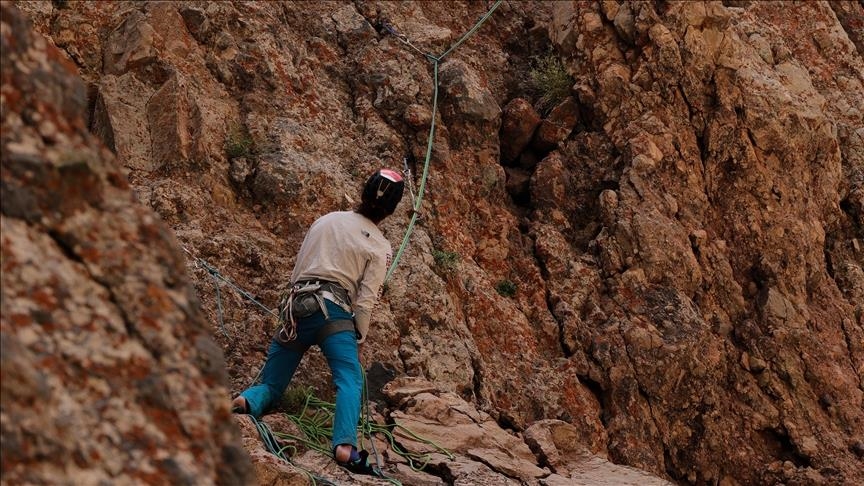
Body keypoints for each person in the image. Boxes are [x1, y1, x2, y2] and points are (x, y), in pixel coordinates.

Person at [232, 168, 404, 474]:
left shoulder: (326, 220)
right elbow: (365, 299)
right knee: (350, 379)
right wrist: (358, 334)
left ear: (364, 192)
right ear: (391, 210)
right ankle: (345, 448)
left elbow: (299, 267)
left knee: (272, 383)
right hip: (334, 314)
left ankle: (245, 402)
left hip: (296, 307)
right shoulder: (380, 246)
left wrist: (291, 310)